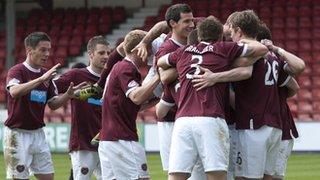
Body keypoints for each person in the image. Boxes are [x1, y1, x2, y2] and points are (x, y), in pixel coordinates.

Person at [157, 16, 268, 180]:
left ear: (199, 36)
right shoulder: (223, 48)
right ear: (219, 37)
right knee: (216, 173)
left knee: (177, 175)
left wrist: (181, 68)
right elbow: (261, 49)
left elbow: (160, 61)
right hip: (210, 117)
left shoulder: (182, 52)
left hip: (182, 121)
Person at [3, 32, 81, 180]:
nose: (47, 54)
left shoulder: (47, 75)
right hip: (17, 134)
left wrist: (68, 96)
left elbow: (53, 104)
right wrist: (40, 79)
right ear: (29, 50)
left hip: (38, 134)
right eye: (43, 50)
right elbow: (14, 91)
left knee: (47, 177)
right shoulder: (17, 71)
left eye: (48, 49)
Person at [98, 30, 160, 179]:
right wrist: (159, 76)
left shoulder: (118, 67)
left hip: (108, 139)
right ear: (137, 49)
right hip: (121, 138)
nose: (150, 53)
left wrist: (158, 99)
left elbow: (132, 105)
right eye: (148, 48)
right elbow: (136, 97)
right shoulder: (126, 68)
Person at [54, 36, 113, 180]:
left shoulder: (112, 78)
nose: (106, 56)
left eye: (108, 53)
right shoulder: (77, 75)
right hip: (83, 144)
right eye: (101, 53)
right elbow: (51, 88)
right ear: (90, 54)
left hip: (108, 143)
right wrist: (68, 95)